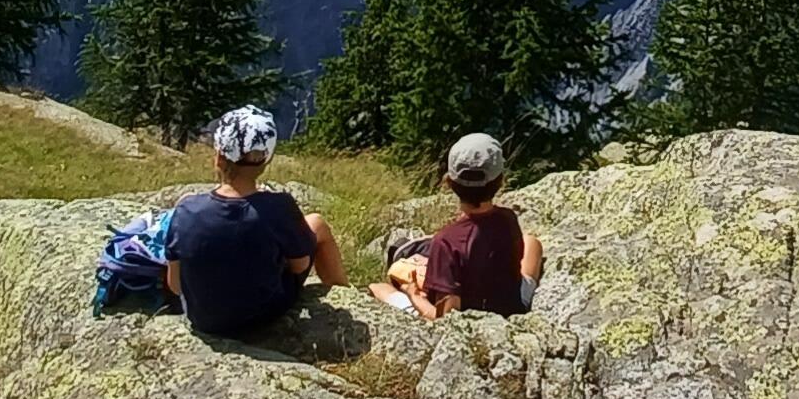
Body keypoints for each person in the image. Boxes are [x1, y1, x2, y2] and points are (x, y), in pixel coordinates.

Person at [162, 104, 345, 337]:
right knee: (316, 223)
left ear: (218, 157)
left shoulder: (186, 209)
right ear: (266, 161)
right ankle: (343, 294)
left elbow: (175, 284)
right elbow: (300, 265)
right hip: (263, 318)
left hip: (204, 321)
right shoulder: (279, 207)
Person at [372, 132, 544, 319]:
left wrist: (413, 295)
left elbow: (446, 317)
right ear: (500, 181)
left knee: (378, 288)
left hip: (471, 321)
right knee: (531, 242)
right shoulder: (508, 219)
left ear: (449, 182)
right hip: (513, 305)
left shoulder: (445, 241)